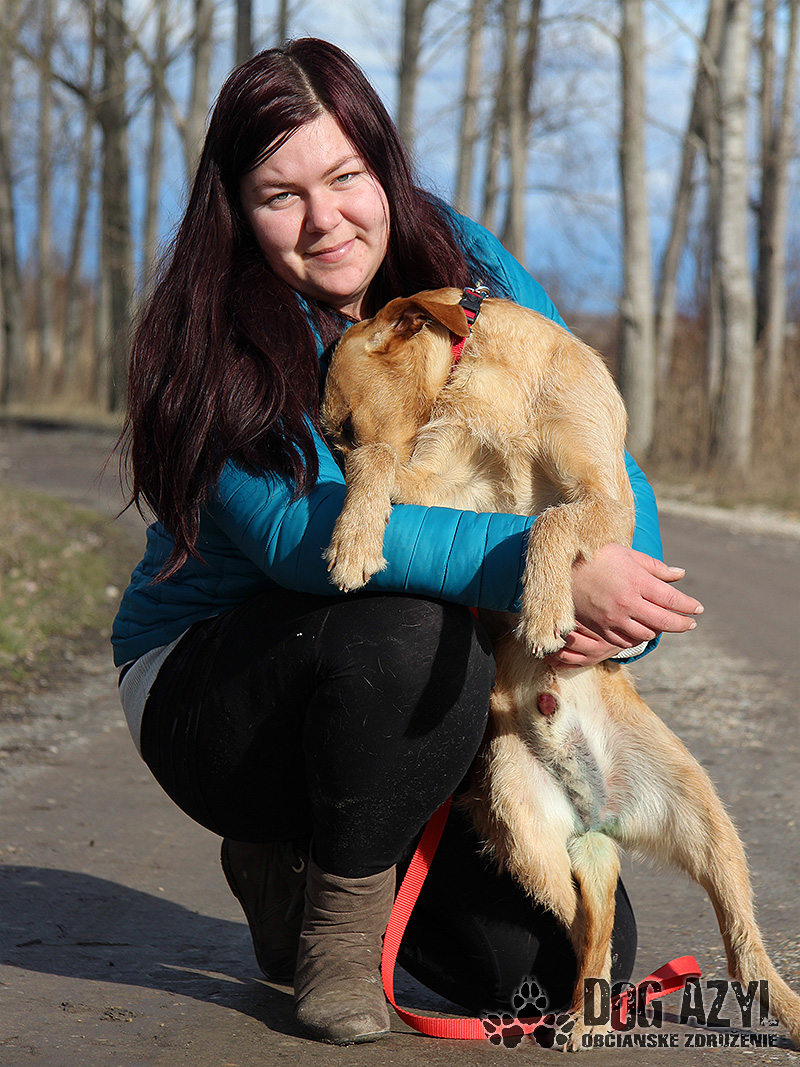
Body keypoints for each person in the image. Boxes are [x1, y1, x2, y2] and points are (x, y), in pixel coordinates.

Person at [112, 38, 704, 1047]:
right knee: (407, 625)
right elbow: (301, 538)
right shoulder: (212, 334)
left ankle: (316, 852)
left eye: (346, 176)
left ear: (383, 166)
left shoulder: (463, 263)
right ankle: (334, 928)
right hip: (219, 687)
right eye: (280, 195)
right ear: (236, 208)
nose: (325, 219)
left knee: (550, 967)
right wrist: (541, 567)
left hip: (395, 684)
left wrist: (618, 592)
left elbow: (588, 426)